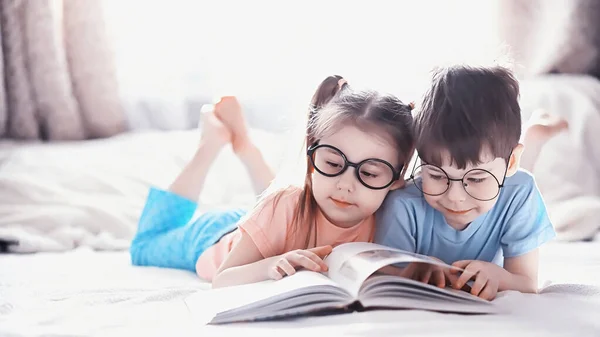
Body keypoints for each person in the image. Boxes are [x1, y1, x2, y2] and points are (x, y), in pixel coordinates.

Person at [129, 75, 416, 289]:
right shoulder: (283, 204)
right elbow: (222, 280)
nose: (345, 184)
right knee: (145, 246)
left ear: (396, 179)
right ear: (311, 151)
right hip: (217, 236)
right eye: (332, 164)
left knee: (280, 204)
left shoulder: (398, 217)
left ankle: (247, 150)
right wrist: (270, 266)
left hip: (268, 220)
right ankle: (211, 144)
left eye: (368, 174)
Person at [374, 65, 565, 301]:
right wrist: (414, 269)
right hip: (500, 175)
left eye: (475, 179)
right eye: (436, 175)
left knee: (519, 176)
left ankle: (534, 135)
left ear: (511, 160)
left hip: (510, 178)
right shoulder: (404, 204)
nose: (454, 197)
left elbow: (526, 283)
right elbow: (383, 275)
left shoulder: (520, 192)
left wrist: (499, 276)